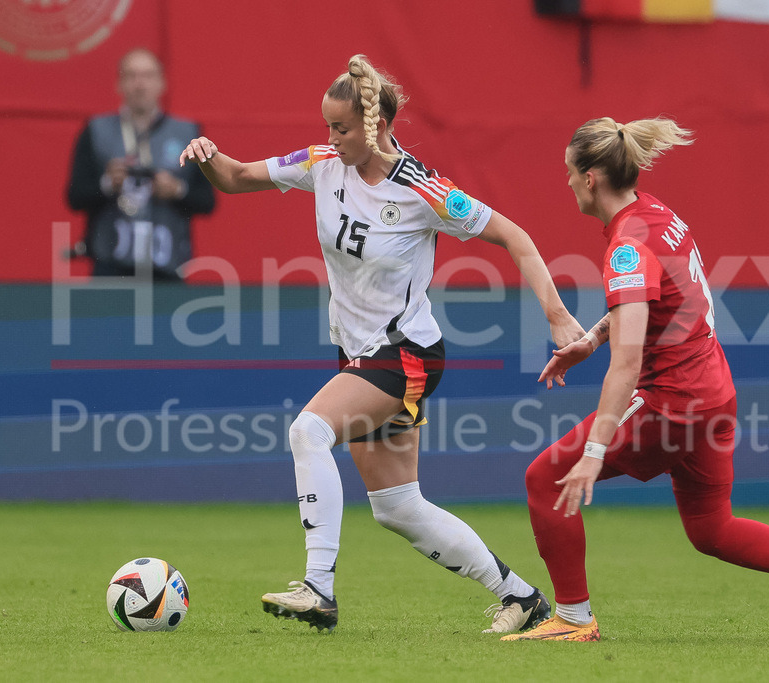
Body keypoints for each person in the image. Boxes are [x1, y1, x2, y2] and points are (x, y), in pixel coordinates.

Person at [179, 54, 584, 634]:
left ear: (375, 127)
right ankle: (521, 598)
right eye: (327, 127)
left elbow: (514, 236)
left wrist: (557, 315)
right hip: (360, 353)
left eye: (340, 128)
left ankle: (318, 588)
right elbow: (238, 177)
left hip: (405, 355)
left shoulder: (421, 188)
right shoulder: (323, 163)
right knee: (397, 506)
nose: (330, 138)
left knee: (307, 431)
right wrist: (208, 158)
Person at [502, 117, 769, 642]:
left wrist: (594, 451)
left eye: (568, 171)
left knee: (545, 478)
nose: (565, 181)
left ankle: (572, 620)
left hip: (671, 398)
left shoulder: (627, 246)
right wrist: (591, 340)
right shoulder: (657, 214)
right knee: (712, 529)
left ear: (591, 177)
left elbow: (629, 363)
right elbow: (659, 305)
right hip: (713, 391)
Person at [67, 48, 215, 280]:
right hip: (110, 262)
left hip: (167, 262)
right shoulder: (96, 131)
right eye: (131, 76)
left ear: (162, 83)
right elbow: (75, 196)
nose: (140, 84)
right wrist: (107, 184)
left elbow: (207, 201)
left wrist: (176, 190)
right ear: (119, 84)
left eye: (148, 76)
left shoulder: (188, 134)